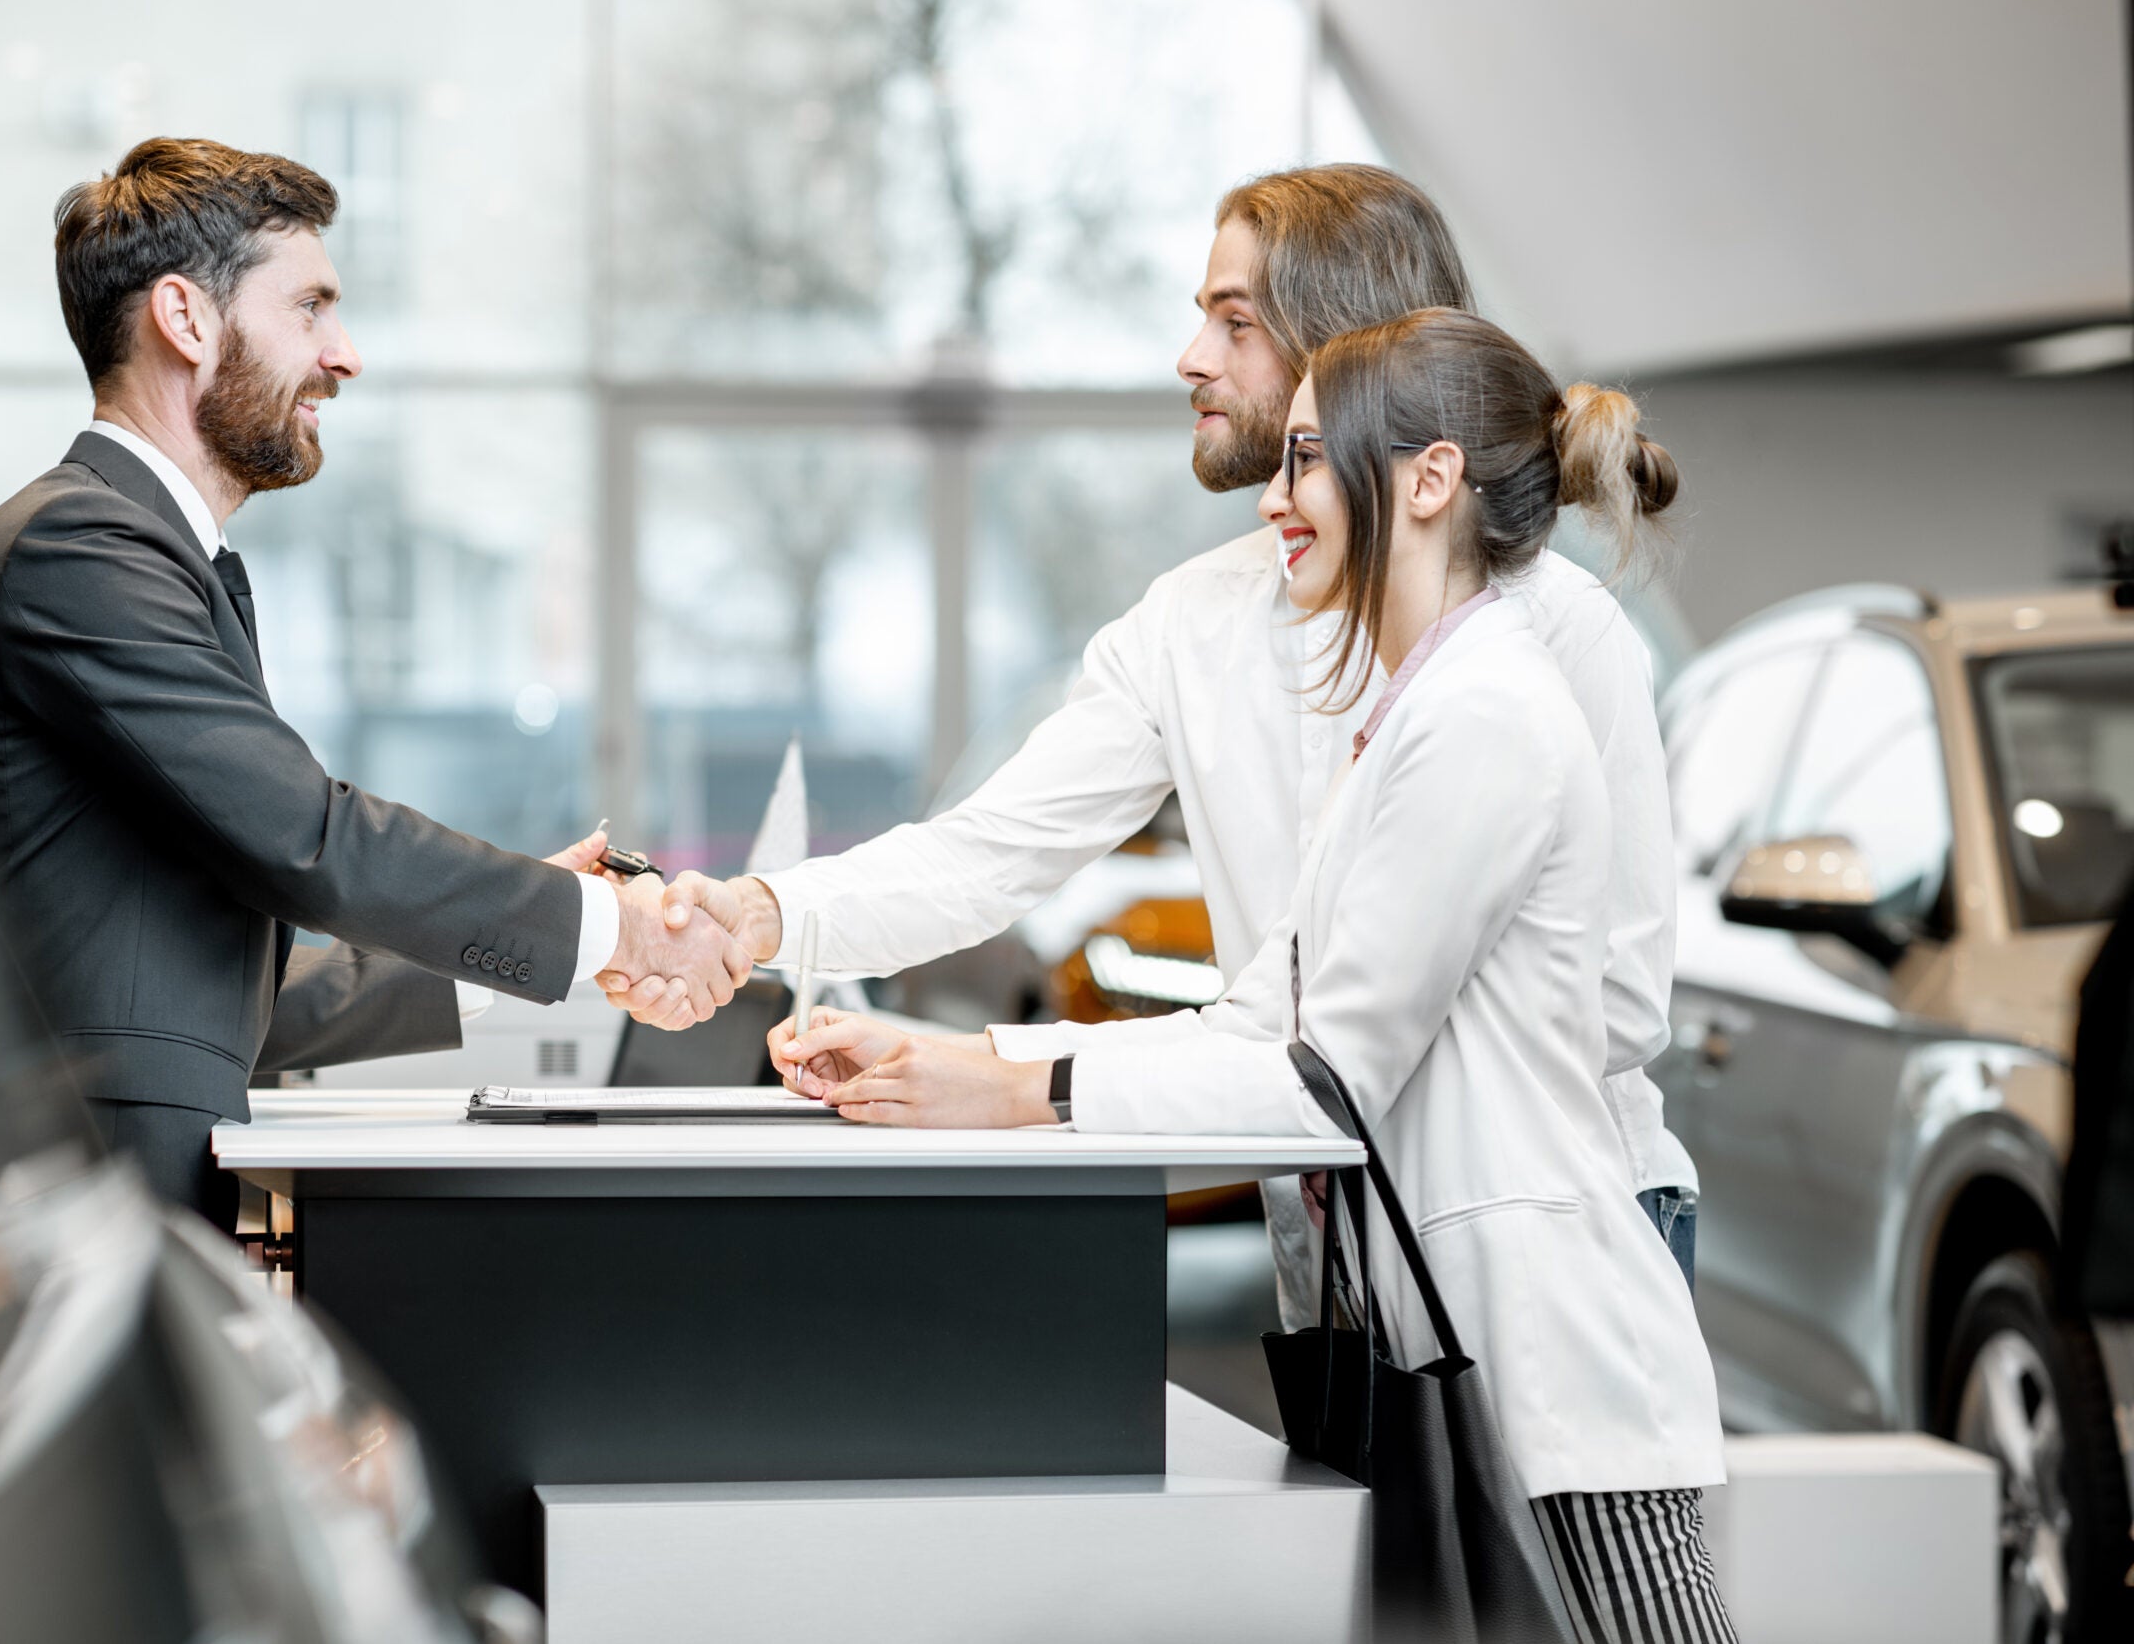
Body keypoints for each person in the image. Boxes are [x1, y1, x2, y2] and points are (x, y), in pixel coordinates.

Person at [781, 308, 1736, 1641]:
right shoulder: (1413, 712)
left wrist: (1015, 1091)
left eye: (1304, 462)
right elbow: (1259, 1017)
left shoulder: (1487, 717)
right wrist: (971, 1069)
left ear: (1428, 479)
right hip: (1476, 1354)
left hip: (1561, 1378)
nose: (1276, 501)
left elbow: (1321, 1083)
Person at [612, 165, 1699, 1286]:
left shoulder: (1551, 645)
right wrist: (753, 916)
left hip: (1547, 1247)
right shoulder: (1195, 621)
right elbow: (992, 856)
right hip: (1350, 1254)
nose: (1192, 359)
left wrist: (1018, 1076)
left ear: (1355, 349)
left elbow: (1586, 1015)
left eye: (1234, 321)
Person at [0, 138, 745, 1226]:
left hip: (119, 1168)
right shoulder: (81, 545)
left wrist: (537, 939)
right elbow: (311, 840)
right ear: (186, 317)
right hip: (99, 1185)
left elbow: (228, 991)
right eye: (309, 307)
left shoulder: (142, 551)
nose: (343, 354)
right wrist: (601, 923)